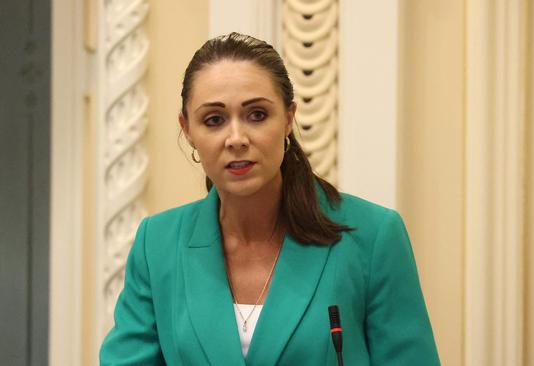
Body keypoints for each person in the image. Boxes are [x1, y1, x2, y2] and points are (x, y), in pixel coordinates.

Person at [99, 32, 440, 366]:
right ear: (187, 130)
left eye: (257, 115)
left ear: (289, 118)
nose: (236, 138)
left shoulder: (372, 236)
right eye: (214, 120)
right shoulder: (157, 244)